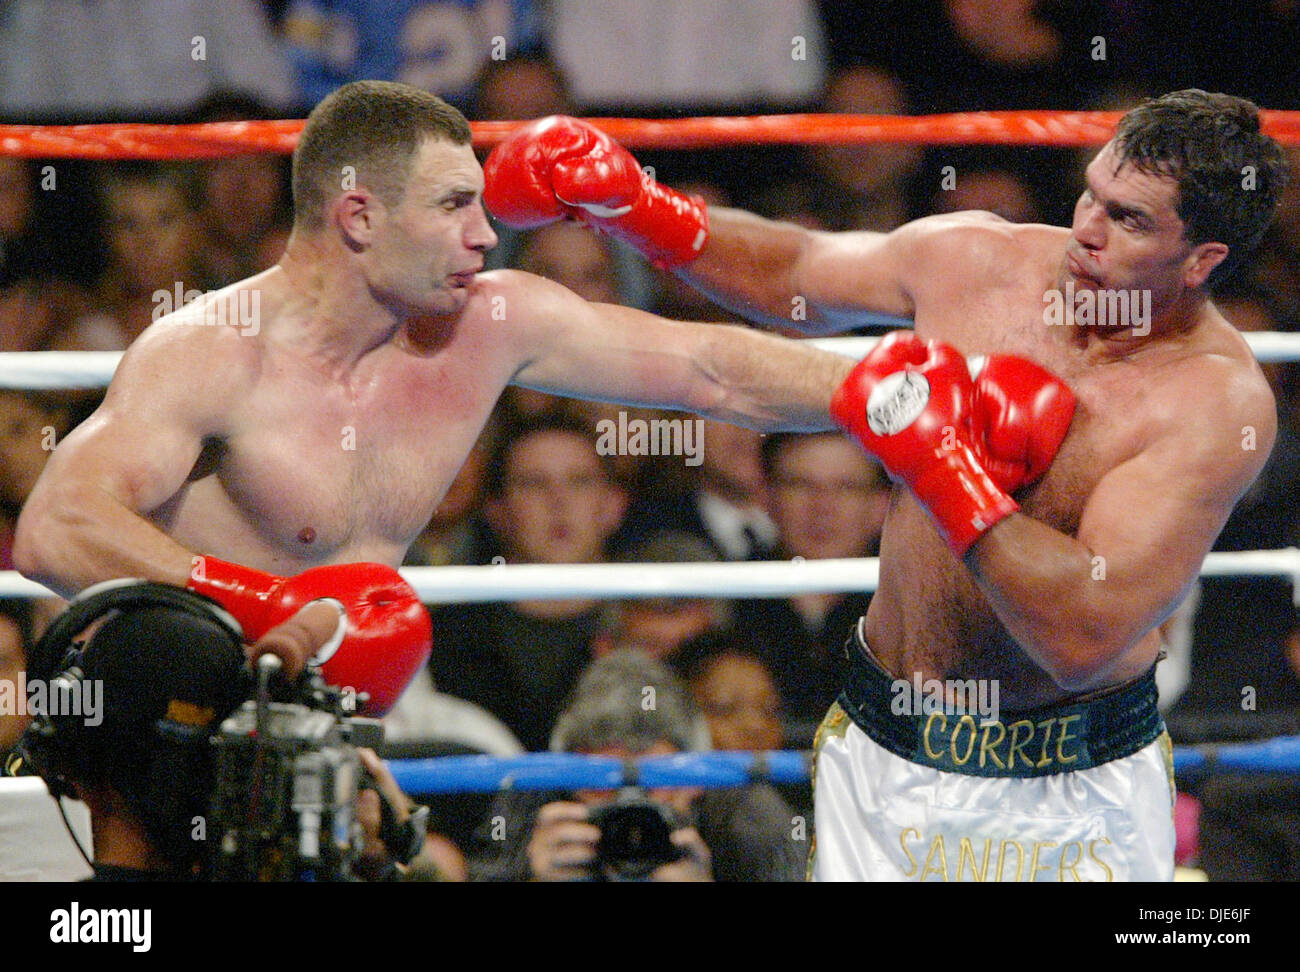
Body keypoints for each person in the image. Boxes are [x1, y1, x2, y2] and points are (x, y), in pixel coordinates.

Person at [484, 89, 1289, 881]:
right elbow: (797, 273)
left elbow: (1081, 637)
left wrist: (941, 461)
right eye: (1092, 194)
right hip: (889, 743)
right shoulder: (979, 259)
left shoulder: (1211, 404)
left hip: (1071, 787)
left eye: (1129, 219)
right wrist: (637, 207)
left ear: (1202, 260)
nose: (1085, 230)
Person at [12, 81, 853, 720]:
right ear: (359, 217)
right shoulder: (213, 352)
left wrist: (892, 393)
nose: (485, 237)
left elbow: (713, 368)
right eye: (454, 206)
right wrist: (267, 607)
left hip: (329, 739)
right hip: (175, 726)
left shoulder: (485, 321)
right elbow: (58, 528)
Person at [468, 649, 804, 882]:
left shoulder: (743, 812)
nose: (627, 801)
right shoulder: (533, 799)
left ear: (695, 778)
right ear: (567, 777)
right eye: (602, 782)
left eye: (652, 780)